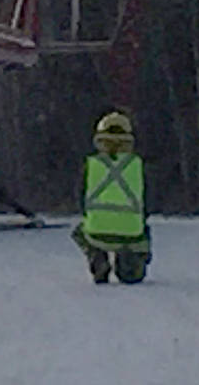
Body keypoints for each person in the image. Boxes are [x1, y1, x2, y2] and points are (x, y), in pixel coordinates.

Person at [70, 111, 151, 284]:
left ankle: (96, 257)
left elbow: (80, 195)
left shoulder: (91, 165)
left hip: (96, 230)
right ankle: (132, 265)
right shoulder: (138, 165)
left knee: (79, 232)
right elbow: (149, 198)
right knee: (139, 242)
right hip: (132, 232)